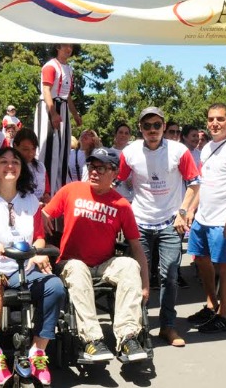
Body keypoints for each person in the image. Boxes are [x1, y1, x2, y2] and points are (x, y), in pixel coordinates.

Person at [0, 147, 65, 386]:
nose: (10, 166)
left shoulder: (30, 201)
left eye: (15, 161)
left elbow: (38, 237)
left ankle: (38, 352)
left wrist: (37, 253)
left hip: (22, 269)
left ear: (22, 168)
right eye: (3, 161)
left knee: (55, 287)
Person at [43, 148, 150, 363]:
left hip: (103, 264)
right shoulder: (71, 190)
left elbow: (136, 247)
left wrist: (145, 284)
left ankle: (128, 337)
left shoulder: (121, 205)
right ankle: (92, 340)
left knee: (128, 264)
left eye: (101, 168)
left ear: (114, 173)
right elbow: (44, 215)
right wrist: (41, 238)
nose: (94, 172)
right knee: (78, 268)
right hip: (70, 263)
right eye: (91, 166)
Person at [118, 107, 199, 347]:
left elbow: (195, 184)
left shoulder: (179, 151)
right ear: (140, 128)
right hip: (139, 222)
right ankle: (138, 326)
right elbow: (118, 182)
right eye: (147, 126)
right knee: (137, 277)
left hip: (170, 222)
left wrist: (183, 213)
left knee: (170, 274)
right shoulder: (130, 152)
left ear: (164, 126)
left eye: (156, 125)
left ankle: (168, 326)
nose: (152, 130)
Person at [186, 103, 226, 334]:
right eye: (211, 118)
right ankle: (212, 305)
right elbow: (201, 183)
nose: (215, 123)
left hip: (225, 219)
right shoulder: (206, 148)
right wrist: (192, 210)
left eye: (220, 119)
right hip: (203, 218)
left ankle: (225, 315)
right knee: (201, 261)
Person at [34, 43, 83, 195]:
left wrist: (74, 114)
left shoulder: (69, 69)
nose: (68, 49)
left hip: (63, 107)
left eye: (71, 47)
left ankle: (59, 187)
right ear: (57, 47)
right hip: (50, 106)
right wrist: (53, 113)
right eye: (65, 46)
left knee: (63, 148)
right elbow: (46, 90)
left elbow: (67, 95)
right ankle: (44, 189)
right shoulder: (50, 66)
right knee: (48, 148)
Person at [13, 128, 50, 205]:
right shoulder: (10, 167)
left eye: (33, 149)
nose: (30, 153)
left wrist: (46, 196)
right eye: (25, 149)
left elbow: (46, 189)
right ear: (15, 146)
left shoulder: (40, 166)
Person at [107, 123, 134, 201]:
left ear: (129, 136)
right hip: (112, 197)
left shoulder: (134, 153)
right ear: (115, 134)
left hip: (131, 199)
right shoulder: (108, 153)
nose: (123, 135)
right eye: (121, 132)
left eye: (126, 133)